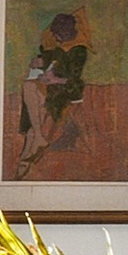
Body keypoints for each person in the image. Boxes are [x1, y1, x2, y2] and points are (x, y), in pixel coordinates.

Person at [19, 9, 91, 172]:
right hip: (51, 85)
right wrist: (39, 62)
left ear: (66, 34)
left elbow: (74, 79)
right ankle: (36, 137)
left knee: (31, 93)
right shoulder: (58, 46)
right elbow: (51, 59)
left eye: (58, 35)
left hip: (68, 88)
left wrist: (54, 80)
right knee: (29, 87)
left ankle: (33, 140)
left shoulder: (79, 50)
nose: (55, 39)